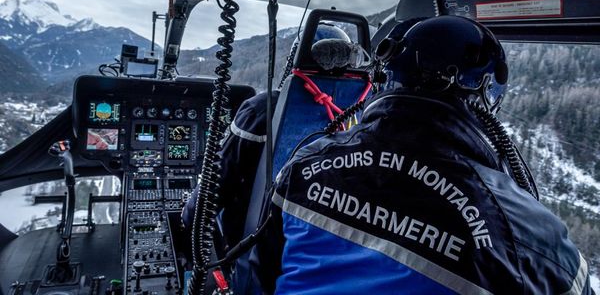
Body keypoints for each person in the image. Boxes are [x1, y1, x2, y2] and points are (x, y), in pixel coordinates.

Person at [253, 16, 593, 294]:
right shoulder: (529, 233)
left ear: (386, 78)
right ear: (487, 99)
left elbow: (259, 275)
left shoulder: (306, 163)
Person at [181, 23, 353, 250]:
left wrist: (187, 217)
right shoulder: (354, 112)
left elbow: (221, 178)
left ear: (295, 58)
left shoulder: (263, 108)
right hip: (317, 240)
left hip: (254, 242)